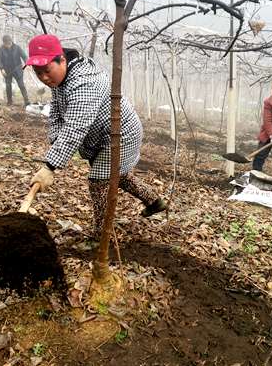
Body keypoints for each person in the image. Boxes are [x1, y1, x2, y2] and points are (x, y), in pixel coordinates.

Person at [25, 34, 167, 244]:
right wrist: (56, 140)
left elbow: (75, 127)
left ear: (62, 60)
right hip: (101, 135)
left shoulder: (84, 82)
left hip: (120, 134)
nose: (44, 78)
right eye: (38, 73)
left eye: (47, 70)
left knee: (98, 180)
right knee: (119, 176)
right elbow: (56, 111)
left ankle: (102, 236)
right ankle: (155, 202)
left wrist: (50, 166)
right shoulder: (60, 81)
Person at [0, 35, 30, 106]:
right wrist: (2, 69)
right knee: (8, 86)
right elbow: (0, 60)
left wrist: (27, 64)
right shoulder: (1, 49)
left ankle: (26, 101)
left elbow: (24, 56)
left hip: (17, 69)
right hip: (7, 71)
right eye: (6, 44)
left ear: (11, 41)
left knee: (21, 85)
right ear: (4, 43)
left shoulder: (17, 48)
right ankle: (9, 101)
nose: (8, 46)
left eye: (9, 44)